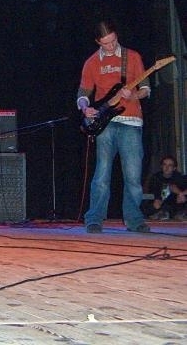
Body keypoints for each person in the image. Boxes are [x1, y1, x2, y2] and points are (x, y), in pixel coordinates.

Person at [77, 20, 151, 233]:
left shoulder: (132, 57)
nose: (110, 46)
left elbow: (146, 89)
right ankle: (94, 218)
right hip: (105, 123)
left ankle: (134, 220)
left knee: (133, 176)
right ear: (97, 42)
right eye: (106, 43)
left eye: (113, 41)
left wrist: (133, 95)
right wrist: (85, 108)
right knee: (102, 173)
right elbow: (83, 92)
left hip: (131, 121)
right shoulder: (92, 62)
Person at [142, 155, 186, 221]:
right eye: (164, 164)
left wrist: (181, 194)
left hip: (174, 203)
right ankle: (162, 214)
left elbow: (176, 189)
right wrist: (157, 200)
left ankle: (172, 214)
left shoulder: (179, 177)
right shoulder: (155, 178)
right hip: (159, 202)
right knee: (150, 206)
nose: (167, 167)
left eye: (170, 165)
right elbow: (154, 193)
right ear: (161, 166)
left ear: (174, 168)